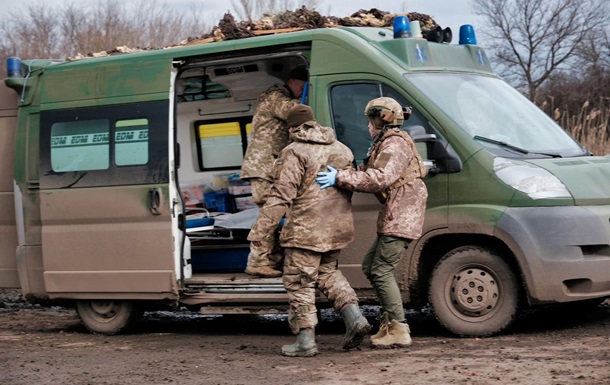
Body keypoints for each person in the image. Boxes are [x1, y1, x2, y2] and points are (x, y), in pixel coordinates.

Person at [248, 104, 371, 357]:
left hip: (305, 231)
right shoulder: (342, 148)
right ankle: (355, 318)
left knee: (299, 282)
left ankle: (305, 341)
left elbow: (281, 195)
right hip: (336, 228)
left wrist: (260, 232)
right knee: (328, 274)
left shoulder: (294, 151)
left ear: (292, 127)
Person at [316, 97, 428, 349]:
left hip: (403, 215)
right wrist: (343, 171)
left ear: (382, 118)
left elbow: (379, 179)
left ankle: (399, 328)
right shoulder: (383, 144)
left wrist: (339, 178)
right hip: (397, 213)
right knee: (371, 265)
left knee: (381, 270)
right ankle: (390, 322)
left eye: (370, 120)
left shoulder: (395, 144)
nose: (368, 126)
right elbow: (365, 170)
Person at [241, 66, 309, 278]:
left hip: (271, 167)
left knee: (278, 214)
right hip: (264, 167)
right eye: (303, 87)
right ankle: (257, 262)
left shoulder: (277, 96)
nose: (302, 91)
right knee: (270, 215)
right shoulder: (274, 97)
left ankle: (271, 261)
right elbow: (296, 111)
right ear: (293, 82)